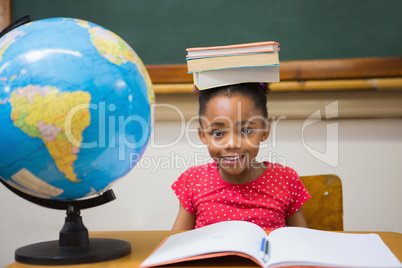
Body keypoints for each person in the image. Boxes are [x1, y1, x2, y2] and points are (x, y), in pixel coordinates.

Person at [171, 83, 311, 230]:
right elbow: (177, 244)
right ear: (203, 135)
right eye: (218, 133)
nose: (232, 144)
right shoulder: (193, 180)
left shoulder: (286, 179)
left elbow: (300, 243)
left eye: (245, 131)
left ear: (264, 131)